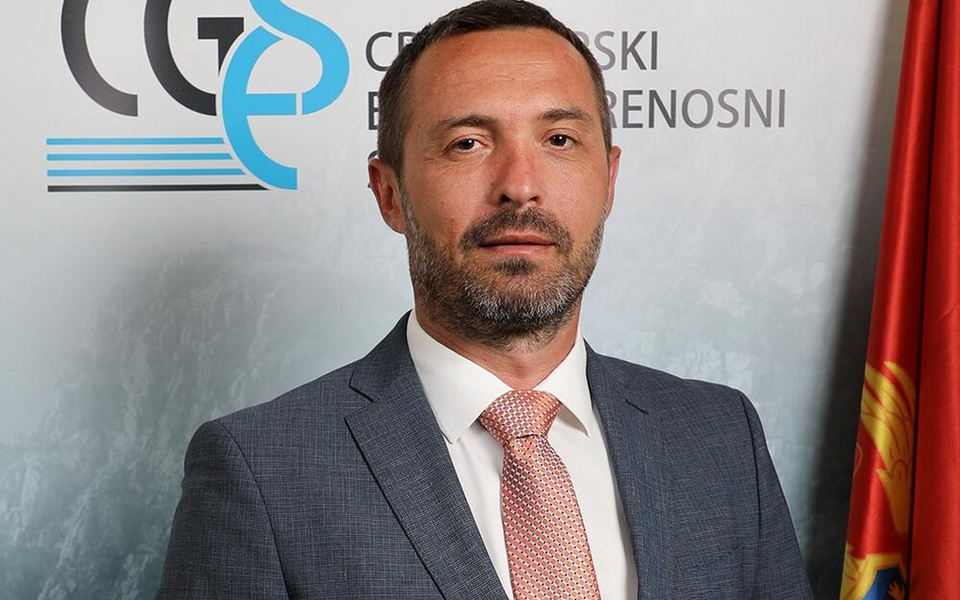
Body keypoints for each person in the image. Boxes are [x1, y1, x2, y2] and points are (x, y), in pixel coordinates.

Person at [155, 1, 813, 598]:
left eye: (560, 140)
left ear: (609, 181)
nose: (520, 186)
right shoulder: (260, 470)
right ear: (390, 194)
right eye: (467, 143)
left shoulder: (719, 435)